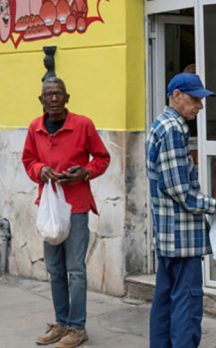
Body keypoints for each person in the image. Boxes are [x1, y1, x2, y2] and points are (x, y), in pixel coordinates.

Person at [22, 77, 111, 348]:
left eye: (58, 94)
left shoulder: (83, 125)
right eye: (48, 95)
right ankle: (61, 323)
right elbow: (28, 161)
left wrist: (85, 172)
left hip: (77, 206)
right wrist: (40, 171)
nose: (53, 99)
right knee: (55, 269)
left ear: (67, 97)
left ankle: (77, 327)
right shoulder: (35, 127)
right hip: (49, 208)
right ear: (41, 100)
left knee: (76, 270)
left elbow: (102, 158)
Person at [146, 73, 216, 348]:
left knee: (166, 300)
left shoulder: (164, 124)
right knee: (186, 304)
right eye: (195, 100)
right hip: (181, 236)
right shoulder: (173, 129)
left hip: (169, 234)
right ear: (176, 95)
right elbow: (178, 189)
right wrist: (214, 204)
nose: (200, 107)